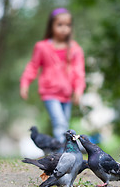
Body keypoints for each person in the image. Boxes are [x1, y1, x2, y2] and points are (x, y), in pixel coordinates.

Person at [20, 8, 86, 143]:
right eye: (59, 25)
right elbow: (33, 66)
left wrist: (78, 90)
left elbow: (79, 71)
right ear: (51, 26)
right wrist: (25, 83)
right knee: (59, 122)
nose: (64, 28)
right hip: (49, 92)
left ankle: (63, 150)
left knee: (65, 123)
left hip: (66, 94)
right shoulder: (42, 47)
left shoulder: (74, 49)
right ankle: (63, 152)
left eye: (67, 25)